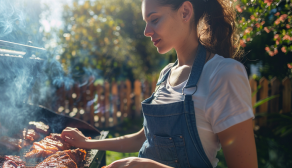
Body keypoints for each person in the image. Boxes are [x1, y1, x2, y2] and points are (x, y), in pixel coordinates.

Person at [61, 0, 258, 167]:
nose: (147, 31)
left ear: (185, 12)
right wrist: (86, 143)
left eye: (154, 19)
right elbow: (143, 137)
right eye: (146, 22)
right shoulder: (166, 74)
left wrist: (145, 165)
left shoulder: (223, 74)